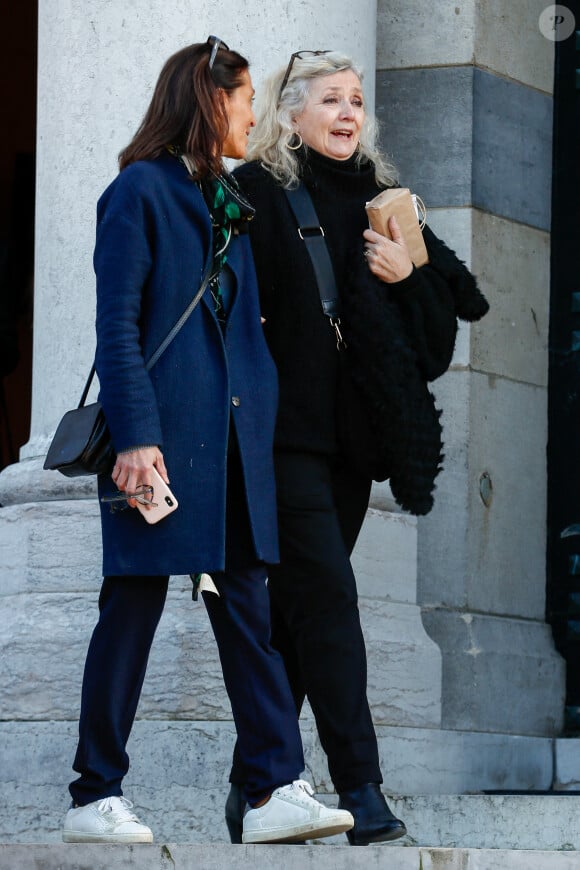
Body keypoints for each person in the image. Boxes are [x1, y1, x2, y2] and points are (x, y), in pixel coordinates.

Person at [61, 39, 355, 846]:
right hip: (157, 444)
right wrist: (135, 438)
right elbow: (117, 327)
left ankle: (270, 789)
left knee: (248, 614)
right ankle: (95, 794)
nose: (255, 112)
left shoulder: (227, 198)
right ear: (208, 96)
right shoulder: (140, 192)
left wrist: (257, 425)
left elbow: (245, 332)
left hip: (229, 442)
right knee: (131, 608)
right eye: (246, 96)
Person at [225, 50, 489, 846]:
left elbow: (436, 348)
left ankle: (255, 784)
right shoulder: (257, 196)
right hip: (280, 441)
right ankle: (362, 791)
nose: (348, 114)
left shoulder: (387, 203)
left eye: (357, 101)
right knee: (332, 603)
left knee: (303, 616)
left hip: (349, 448)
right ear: (291, 112)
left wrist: (407, 276)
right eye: (331, 101)